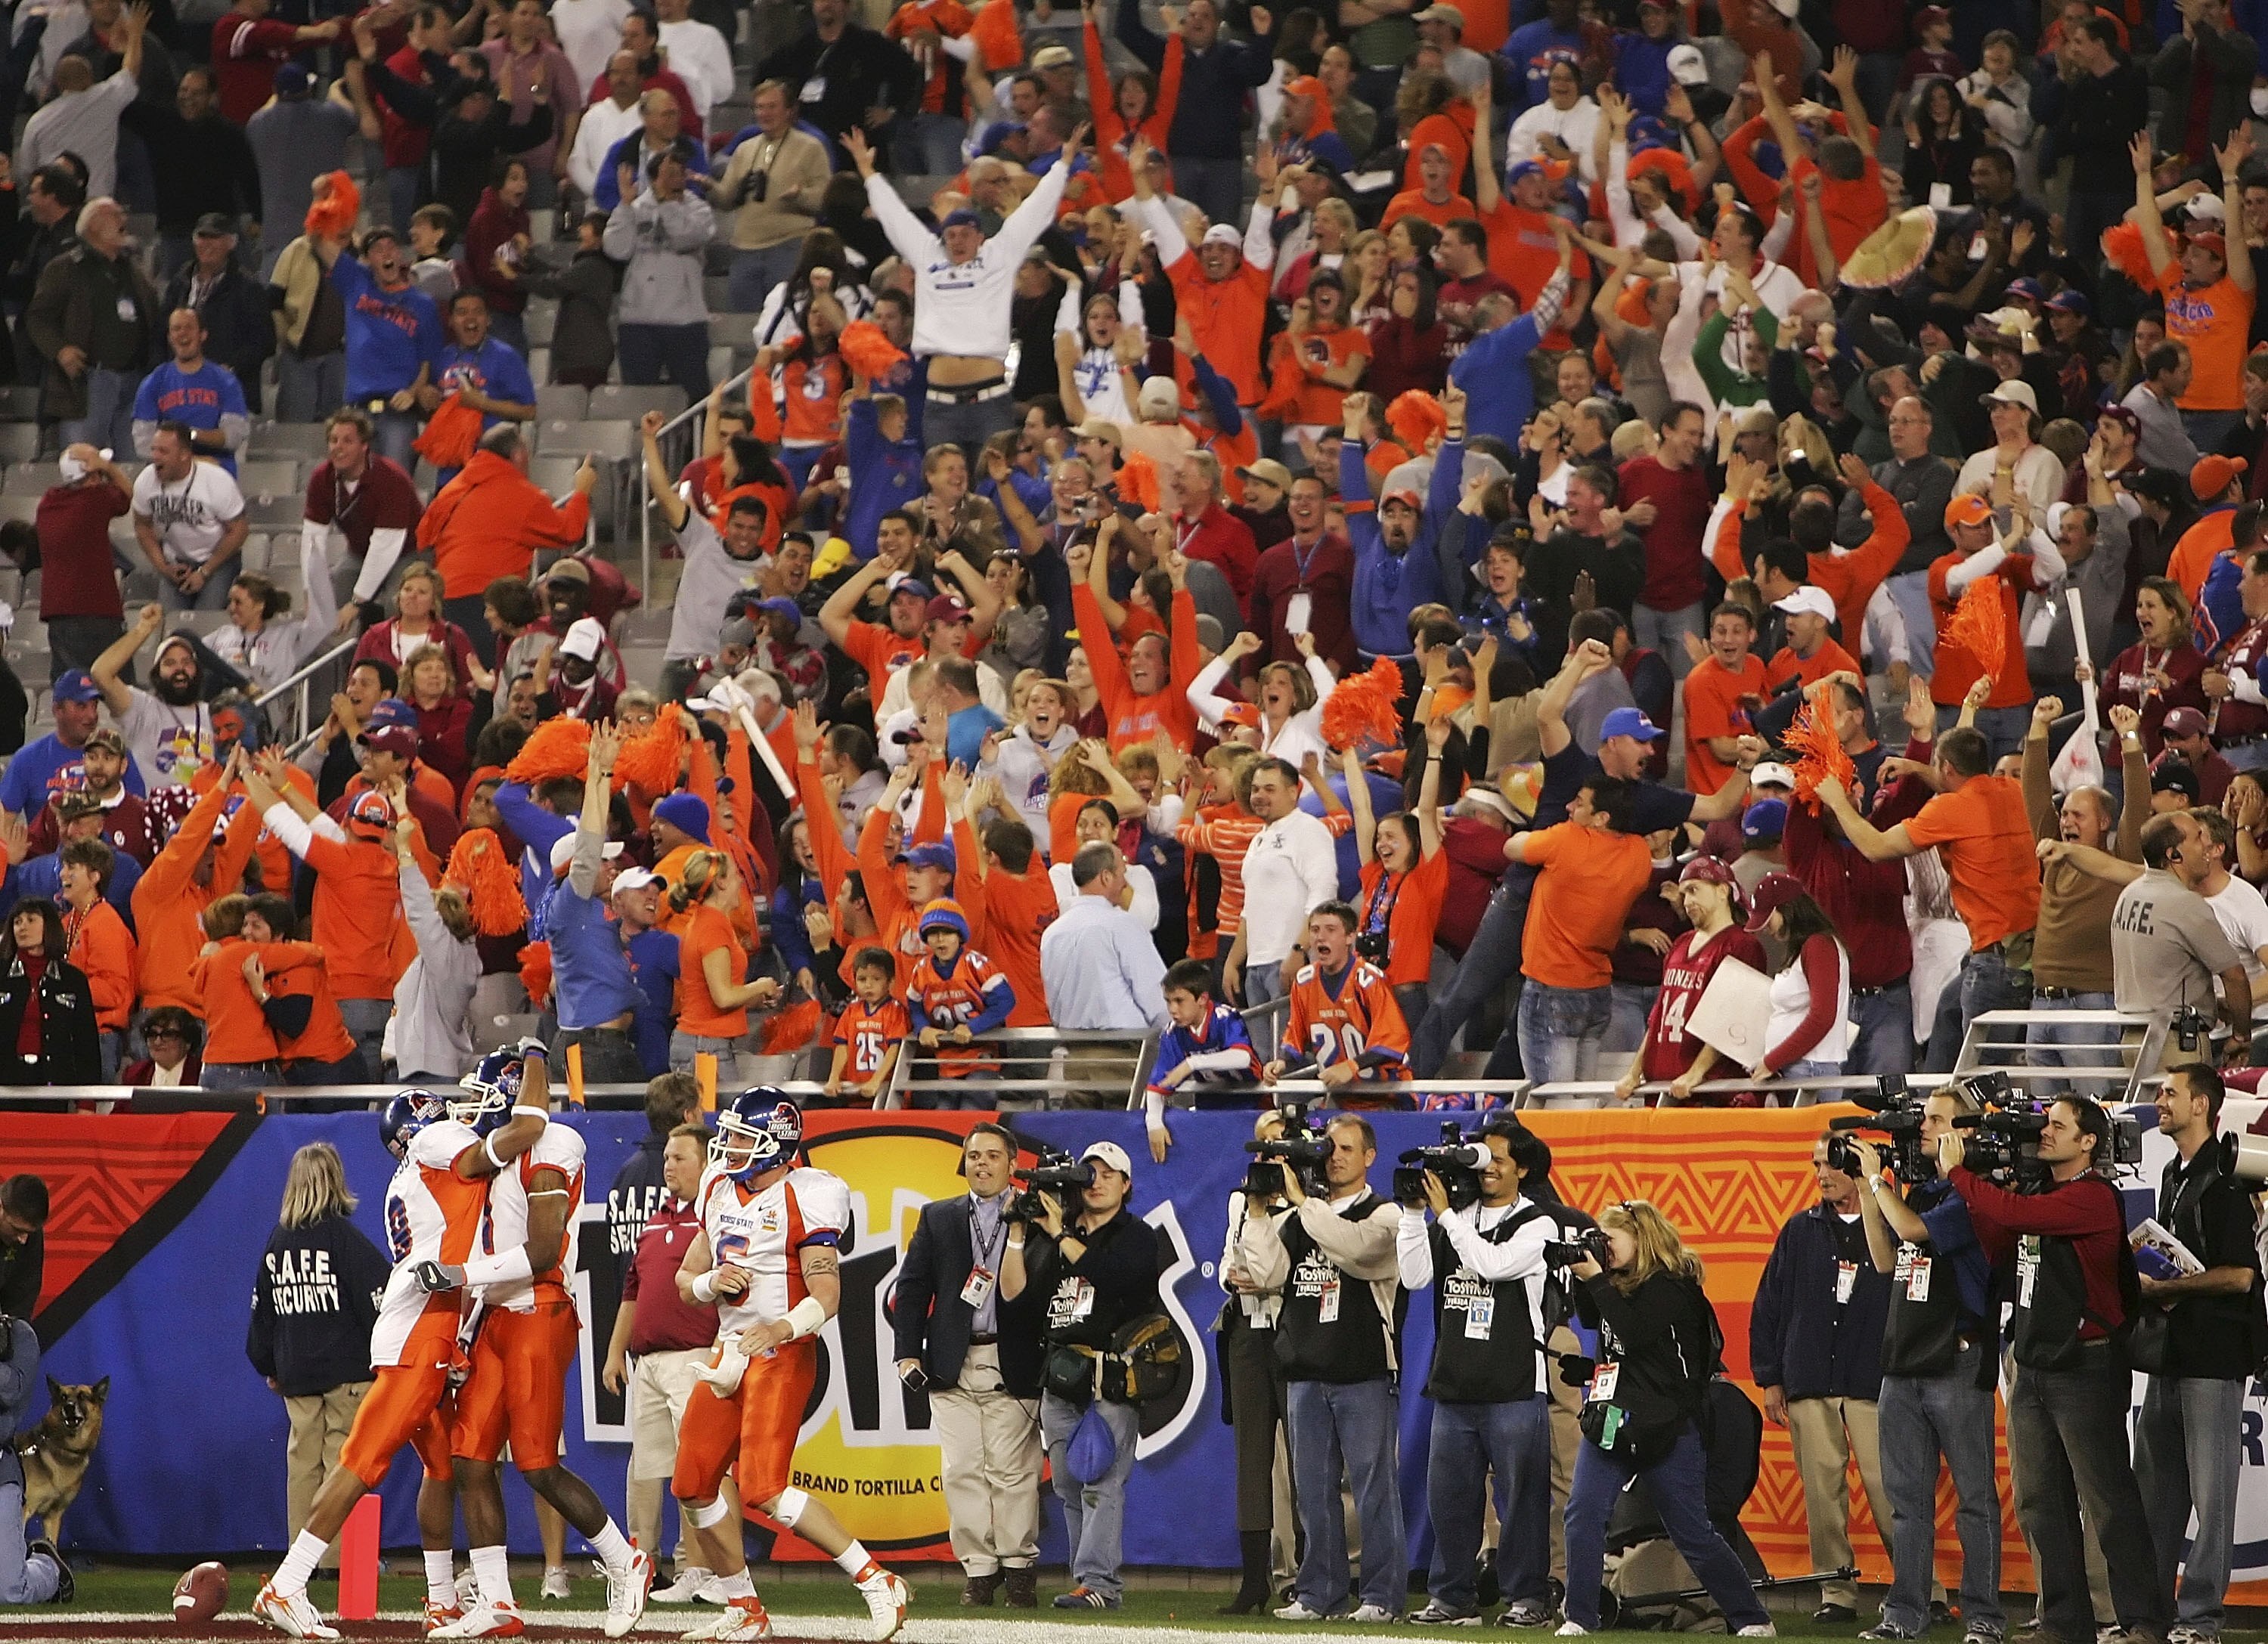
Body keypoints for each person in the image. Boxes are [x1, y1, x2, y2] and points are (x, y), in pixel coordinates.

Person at [668, 1091, 912, 1643]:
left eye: (741, 1138)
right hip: (730, 1349)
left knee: (763, 1487)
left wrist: (776, 1328)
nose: (728, 1148)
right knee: (693, 1483)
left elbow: (826, 1293)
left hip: (781, 1351)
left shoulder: (810, 1195)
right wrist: (711, 1284)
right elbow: (687, 1278)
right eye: (727, 1135)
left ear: (776, 1147)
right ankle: (744, 1606)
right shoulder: (716, 1186)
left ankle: (877, 1580)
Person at [1942, 1098, 2174, 1644]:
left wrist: (1957, 1172)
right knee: (2041, 1502)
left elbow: (2018, 1219)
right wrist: (1984, 1186)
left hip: (2086, 1367)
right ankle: (2065, 1623)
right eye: (2045, 1125)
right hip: (2036, 1363)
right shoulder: (2040, 1194)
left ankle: (2145, 1621)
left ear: (2089, 1141)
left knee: (2108, 1502)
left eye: (2058, 1126)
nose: (2044, 1133)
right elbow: (1999, 1239)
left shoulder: (2093, 1197)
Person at [1560, 1200, 1773, 1636]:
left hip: (1666, 1427)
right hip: (1614, 1420)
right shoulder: (1614, 1285)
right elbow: (1599, 1325)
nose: (1604, 1250)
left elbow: (1638, 1334)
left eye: (1610, 1241)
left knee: (1693, 1531)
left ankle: (1752, 1618)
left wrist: (1596, 1279)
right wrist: (1583, 1281)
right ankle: (1579, 1617)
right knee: (1582, 1513)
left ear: (1644, 1241)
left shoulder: (1673, 1289)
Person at [1237, 1113, 1405, 1624]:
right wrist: (1260, 1211)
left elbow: (1355, 1250)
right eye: (1329, 1149)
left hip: (1364, 1369)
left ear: (1370, 1156)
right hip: (1305, 1370)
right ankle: (1318, 1593)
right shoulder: (1299, 1217)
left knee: (1374, 1489)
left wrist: (1303, 1202)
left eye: (1347, 1149)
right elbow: (1263, 1274)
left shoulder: (1386, 1213)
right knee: (1312, 1492)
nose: (1335, 1157)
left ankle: (1380, 1596)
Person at [1396, 1116, 1558, 1627]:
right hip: (1456, 1382)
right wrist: (1412, 1212)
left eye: (1499, 1161)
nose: (1486, 1170)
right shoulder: (1455, 1216)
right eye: (1481, 1159)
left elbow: (1492, 1264)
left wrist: (1445, 1218)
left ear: (1522, 1169)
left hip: (1513, 1383)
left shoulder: (1540, 1222)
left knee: (1523, 1502)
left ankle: (1528, 1597)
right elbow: (1415, 1274)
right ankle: (1452, 1597)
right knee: (1451, 1503)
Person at [847, 121, 1083, 454]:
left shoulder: (999, 255)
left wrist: (1063, 165)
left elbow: (1035, 212)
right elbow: (895, 216)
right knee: (944, 490)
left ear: (980, 236)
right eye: (951, 235)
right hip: (940, 404)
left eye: (965, 234)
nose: (957, 241)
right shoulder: (928, 256)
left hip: (990, 399)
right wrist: (868, 171)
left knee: (994, 485)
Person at [2133, 1062, 2264, 1644]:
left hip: (2212, 1357)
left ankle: (2202, 1619)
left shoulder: (2229, 1178)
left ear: (2203, 1106)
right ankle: (2152, 1615)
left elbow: (2240, 1276)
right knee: (2155, 1497)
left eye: (2170, 1093)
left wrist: (2168, 1287)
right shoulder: (2172, 1173)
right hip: (2170, 1355)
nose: (2160, 1100)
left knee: (2212, 1501)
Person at [998, 1137, 1157, 1611]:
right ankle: (1084, 1581)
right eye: (1091, 1173)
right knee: (1068, 1484)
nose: (1099, 1182)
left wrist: (1061, 1234)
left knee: (1101, 1482)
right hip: (1061, 1377)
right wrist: (1020, 1233)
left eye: (1110, 1174)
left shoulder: (1137, 1234)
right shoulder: (1055, 1235)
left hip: (1109, 1374)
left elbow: (1121, 1280)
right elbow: (1016, 1298)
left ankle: (1100, 1585)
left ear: (1127, 1185)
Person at [891, 1121, 1046, 1608]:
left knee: (1013, 1469)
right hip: (951, 1358)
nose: (981, 1163)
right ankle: (979, 1570)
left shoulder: (1037, 1215)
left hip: (1013, 1354)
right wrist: (906, 1351)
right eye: (974, 1155)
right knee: (961, 1468)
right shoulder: (938, 1217)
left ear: (1012, 1164)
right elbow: (913, 1289)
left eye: (992, 1156)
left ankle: (1019, 1567)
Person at [1750, 1129, 1898, 1627]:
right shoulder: (1799, 1229)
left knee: (1890, 1488)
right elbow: (1768, 1305)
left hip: (1874, 1379)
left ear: (1857, 1165)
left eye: (1830, 1163)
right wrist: (1770, 1377)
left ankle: (1921, 1586)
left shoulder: (1892, 1222)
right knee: (1822, 1493)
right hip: (1809, 1377)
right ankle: (1836, 1591)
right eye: (1815, 1164)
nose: (1820, 1174)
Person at [600, 1116, 726, 1602]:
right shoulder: (658, 1218)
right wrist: (616, 1353)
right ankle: (643, 1563)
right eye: (668, 1157)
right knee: (647, 1469)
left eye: (680, 1158)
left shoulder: (718, 1219)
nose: (669, 1165)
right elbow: (633, 1291)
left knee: (696, 1467)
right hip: (648, 1360)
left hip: (694, 1355)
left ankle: (697, 1566)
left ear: (706, 1162)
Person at [245, 1143, 387, 1572]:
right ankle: (344, 1561)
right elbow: (380, 1304)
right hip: (348, 1377)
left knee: (301, 1467)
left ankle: (301, 1562)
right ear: (335, 1182)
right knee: (345, 1463)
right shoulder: (346, 1240)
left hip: (296, 1380)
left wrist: (269, 1366)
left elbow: (262, 1316)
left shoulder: (277, 1243)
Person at [131, 421, 248, 615]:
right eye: (154, 450)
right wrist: (163, 567)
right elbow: (142, 526)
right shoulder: (145, 481)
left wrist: (204, 572)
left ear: (184, 454)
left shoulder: (217, 480)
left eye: (163, 451)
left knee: (206, 621)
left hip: (218, 562)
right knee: (171, 626)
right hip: (176, 562)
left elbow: (239, 530)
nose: (155, 457)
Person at [0, 1307, 67, 1605]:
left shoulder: (19, 1336)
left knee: (10, 1592)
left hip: (1, 1474)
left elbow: (13, 1391)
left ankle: (48, 1567)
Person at [0, 899, 100, 1086]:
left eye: (31, 920)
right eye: (17, 922)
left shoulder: (73, 980)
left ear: (49, 926)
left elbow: (86, 1043)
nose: (22, 927)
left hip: (55, 1083)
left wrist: (87, 1100)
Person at [0, 1177, 46, 1317]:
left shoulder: (31, 1235)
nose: (23, 1239)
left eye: (28, 1232)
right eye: (17, 1229)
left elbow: (22, 1301)